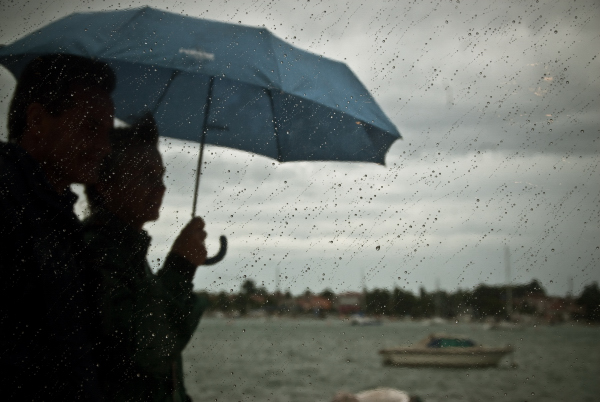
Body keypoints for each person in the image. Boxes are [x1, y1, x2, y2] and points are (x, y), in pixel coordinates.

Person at [0, 54, 115, 400]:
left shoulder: (56, 215)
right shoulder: (9, 207)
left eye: (107, 133)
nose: (103, 147)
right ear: (36, 120)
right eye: (90, 128)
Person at [82, 114, 208, 401]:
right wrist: (180, 266)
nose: (161, 188)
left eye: (161, 176)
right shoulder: (97, 255)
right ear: (104, 184)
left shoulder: (129, 254)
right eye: (146, 176)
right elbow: (153, 351)